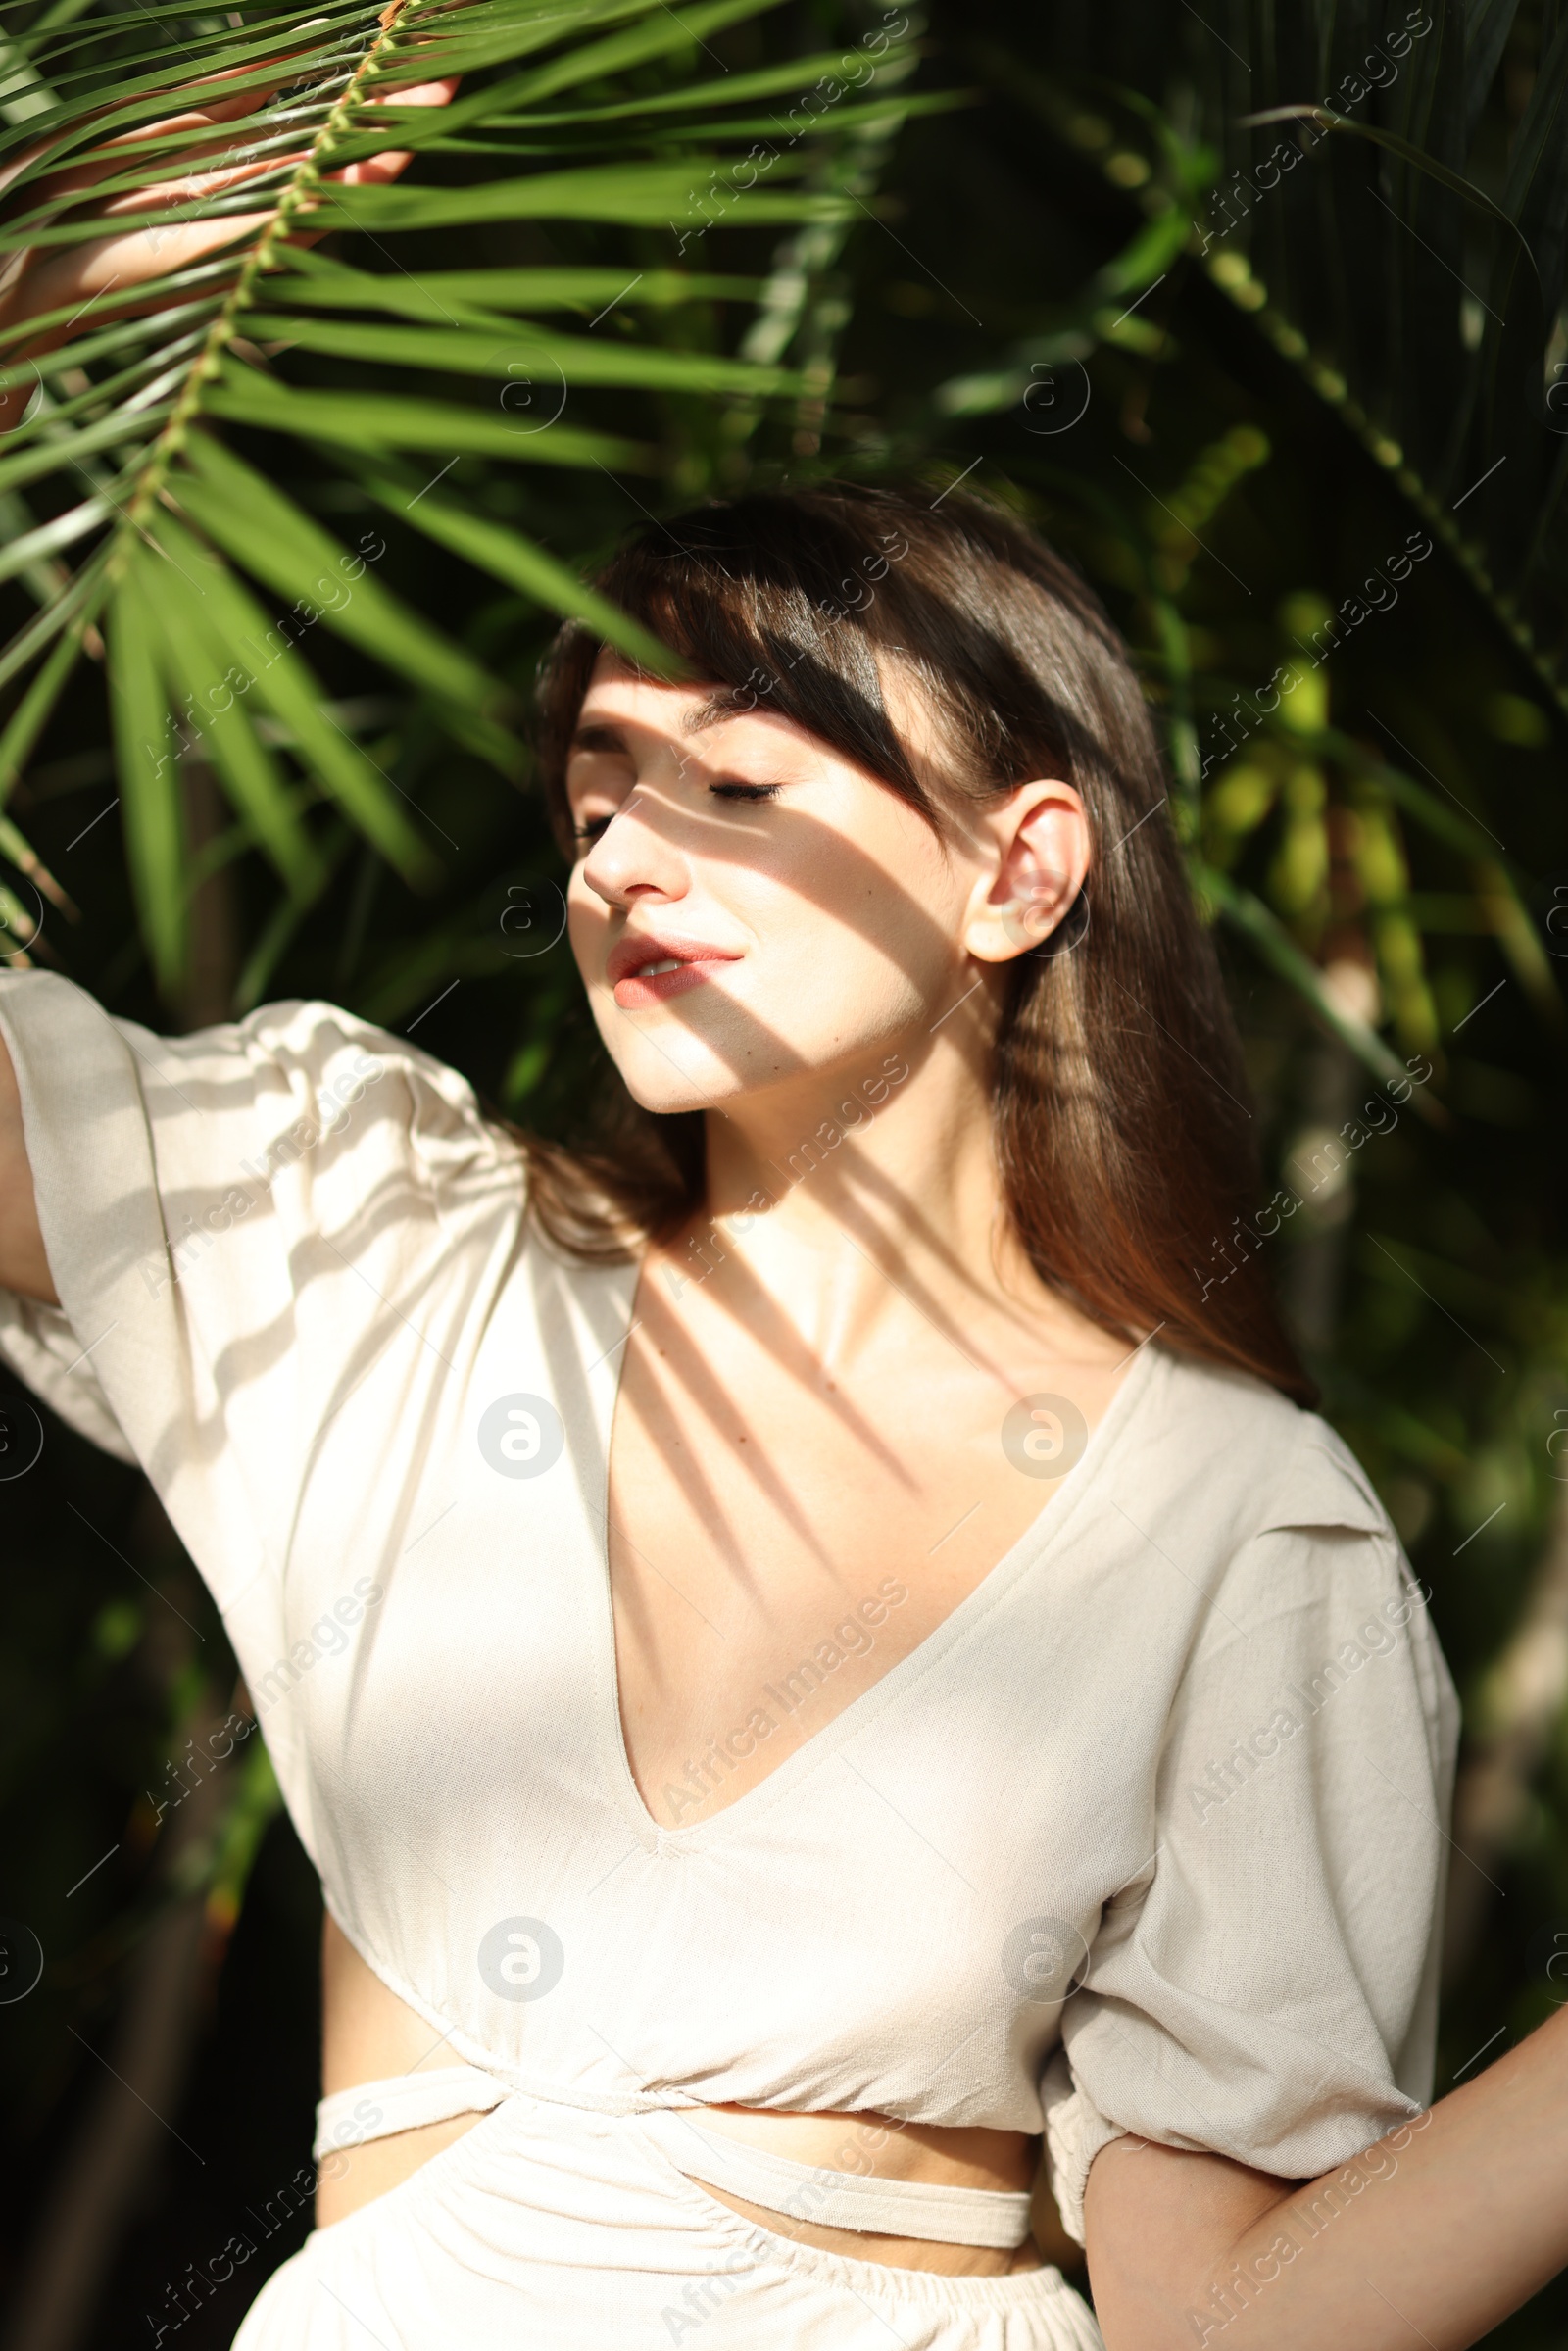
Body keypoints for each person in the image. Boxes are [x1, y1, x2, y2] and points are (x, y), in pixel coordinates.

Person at [2, 54, 1568, 2351]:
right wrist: (96, 276)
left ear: (1019, 866)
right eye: (597, 787)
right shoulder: (386, 1255)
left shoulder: (1244, 1524)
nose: (621, 852)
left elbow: (1233, 2320)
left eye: (736, 777)